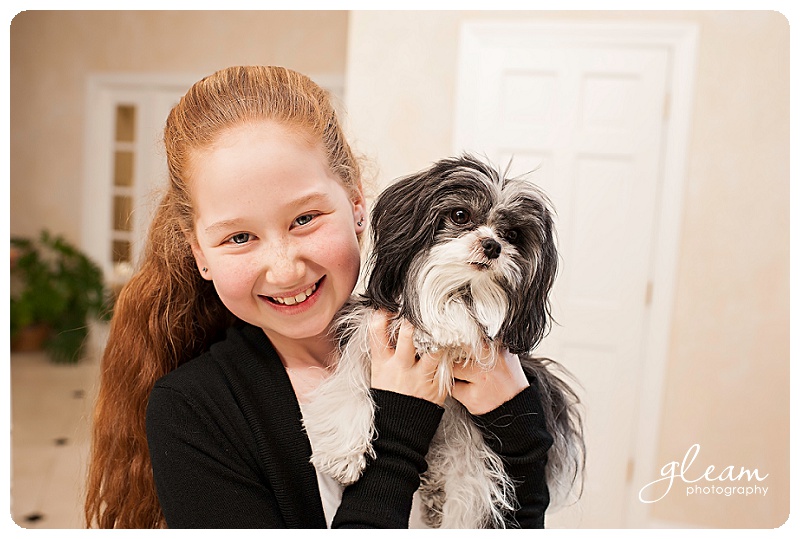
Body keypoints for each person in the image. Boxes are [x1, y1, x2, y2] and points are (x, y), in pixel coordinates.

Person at [84, 65, 553, 529]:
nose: (285, 268)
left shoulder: (472, 358)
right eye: (239, 237)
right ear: (199, 253)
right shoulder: (191, 412)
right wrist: (398, 426)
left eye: (305, 218)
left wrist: (518, 423)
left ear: (357, 206)